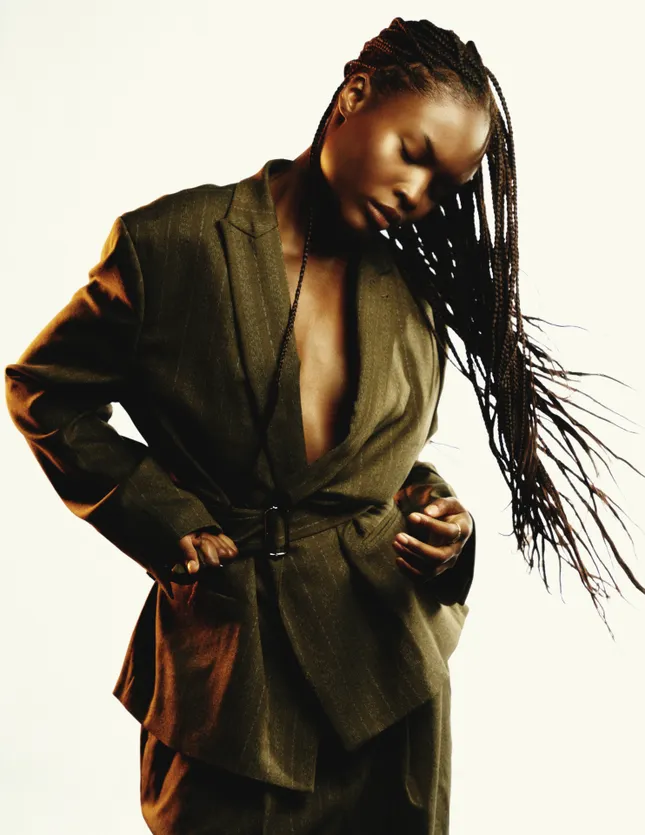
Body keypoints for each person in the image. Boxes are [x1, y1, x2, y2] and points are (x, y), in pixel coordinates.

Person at [4, 16, 642, 835]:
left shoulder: (412, 294)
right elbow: (44, 390)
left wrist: (446, 526)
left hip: (387, 685)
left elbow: (381, 465)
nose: (417, 195)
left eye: (441, 186)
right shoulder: (171, 246)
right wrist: (164, 516)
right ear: (355, 94)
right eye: (414, 152)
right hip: (229, 689)